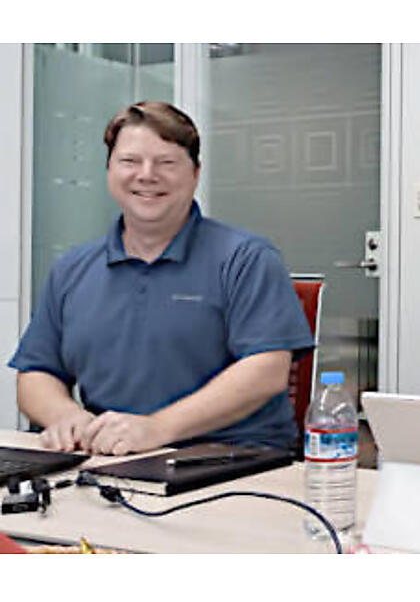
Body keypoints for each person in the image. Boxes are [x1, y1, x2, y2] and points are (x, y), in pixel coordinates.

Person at [9, 102, 314, 456]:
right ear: (109, 170)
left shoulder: (246, 259)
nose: (147, 175)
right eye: (130, 161)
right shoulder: (72, 268)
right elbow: (35, 373)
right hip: (109, 457)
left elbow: (267, 371)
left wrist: (156, 429)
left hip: (227, 459)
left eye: (166, 162)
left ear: (195, 173)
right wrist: (67, 417)